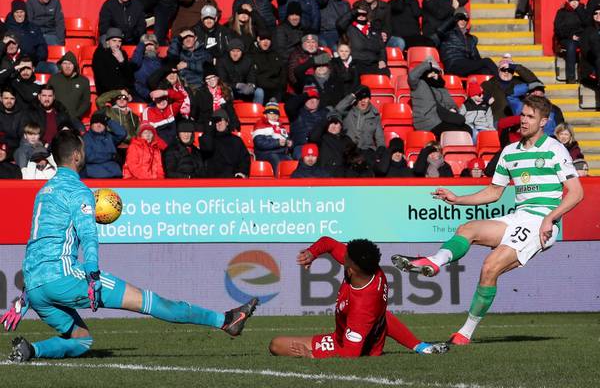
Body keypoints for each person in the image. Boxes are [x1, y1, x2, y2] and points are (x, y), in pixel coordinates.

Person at [2, 128, 258, 362]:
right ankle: (225, 321)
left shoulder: (43, 192)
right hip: (66, 278)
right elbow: (89, 237)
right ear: (78, 155)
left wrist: (25, 297)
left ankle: (31, 350)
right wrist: (92, 275)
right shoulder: (80, 192)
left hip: (36, 287)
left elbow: (36, 243)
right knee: (150, 301)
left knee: (82, 340)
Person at [393, 95, 584, 345]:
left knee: (490, 266)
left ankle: (465, 333)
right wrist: (457, 199)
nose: (524, 121)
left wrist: (551, 218)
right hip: (519, 216)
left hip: (540, 223)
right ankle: (435, 262)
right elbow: (494, 193)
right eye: (523, 115)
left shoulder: (554, 149)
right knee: (467, 228)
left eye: (530, 117)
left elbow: (577, 192)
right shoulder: (509, 152)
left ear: (544, 122)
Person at [269, 236, 449, 357]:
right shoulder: (368, 270)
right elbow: (329, 243)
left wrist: (310, 355)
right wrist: (312, 252)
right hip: (356, 328)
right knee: (380, 315)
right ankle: (420, 346)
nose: (342, 254)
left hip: (352, 345)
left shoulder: (362, 308)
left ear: (351, 268)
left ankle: (419, 346)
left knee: (276, 345)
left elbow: (350, 353)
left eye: (346, 256)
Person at [409, 57, 469, 138]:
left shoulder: (440, 86)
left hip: (442, 119)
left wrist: (453, 108)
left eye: (436, 72)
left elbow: (450, 102)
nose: (434, 74)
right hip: (427, 122)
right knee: (456, 132)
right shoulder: (418, 84)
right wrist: (428, 65)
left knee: (467, 129)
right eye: (431, 72)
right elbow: (412, 76)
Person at [440, 10, 497, 77]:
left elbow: (476, 58)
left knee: (485, 71)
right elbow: (440, 30)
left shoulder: (470, 38)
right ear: (455, 19)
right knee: (487, 61)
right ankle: (503, 81)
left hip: (465, 65)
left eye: (465, 19)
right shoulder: (449, 33)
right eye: (460, 18)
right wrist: (453, 18)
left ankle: (499, 85)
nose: (463, 21)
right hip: (453, 64)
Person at [335, 85, 385, 163]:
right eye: (360, 98)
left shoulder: (375, 115)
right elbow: (338, 109)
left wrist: (381, 149)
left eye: (365, 98)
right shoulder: (348, 110)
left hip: (366, 151)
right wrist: (352, 95)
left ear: (369, 99)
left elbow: (380, 138)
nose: (363, 101)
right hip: (349, 150)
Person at [481, 55, 538, 124]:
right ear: (498, 70)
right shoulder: (489, 84)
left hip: (519, 121)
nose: (506, 72)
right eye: (503, 69)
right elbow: (480, 95)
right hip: (498, 121)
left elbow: (534, 81)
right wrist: (486, 98)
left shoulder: (519, 82)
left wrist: (515, 67)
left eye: (509, 70)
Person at [336, 5, 389, 76]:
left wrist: (382, 60)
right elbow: (339, 24)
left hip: (373, 63)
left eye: (363, 14)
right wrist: (354, 12)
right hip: (357, 63)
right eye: (358, 14)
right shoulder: (349, 28)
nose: (361, 16)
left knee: (385, 72)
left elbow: (382, 48)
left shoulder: (374, 30)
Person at [4, 0, 51, 73]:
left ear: (25, 13)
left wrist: (34, 61)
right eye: (17, 12)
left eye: (22, 12)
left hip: (33, 62)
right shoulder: (6, 28)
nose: (19, 15)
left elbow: (42, 47)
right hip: (12, 63)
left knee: (53, 68)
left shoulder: (34, 27)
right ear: (13, 13)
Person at [202, 109, 251, 178]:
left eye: (221, 120)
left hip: (232, 180)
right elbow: (206, 149)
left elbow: (244, 159)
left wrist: (241, 172)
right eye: (216, 121)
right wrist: (209, 129)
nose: (219, 123)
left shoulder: (236, 140)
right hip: (212, 180)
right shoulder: (208, 138)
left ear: (227, 122)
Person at [285, 84, 328, 159]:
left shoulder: (325, 113)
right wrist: (307, 94)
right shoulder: (296, 112)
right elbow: (288, 106)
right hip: (301, 146)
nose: (312, 101)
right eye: (309, 98)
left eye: (315, 98)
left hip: (319, 147)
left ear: (319, 100)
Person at [553, 0, 586, 84]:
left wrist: (579, 10)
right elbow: (558, 29)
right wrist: (571, 36)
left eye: (576, 0)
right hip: (567, 38)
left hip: (582, 37)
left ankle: (588, 76)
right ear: (568, 0)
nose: (574, 2)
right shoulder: (561, 12)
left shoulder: (582, 10)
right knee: (571, 46)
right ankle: (571, 77)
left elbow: (587, 24)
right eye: (572, 0)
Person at [80, 112, 127, 179]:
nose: (99, 125)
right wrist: (110, 156)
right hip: (95, 174)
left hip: (114, 173)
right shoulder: (86, 138)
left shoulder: (109, 136)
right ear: (91, 125)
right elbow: (89, 157)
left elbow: (122, 133)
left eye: (102, 123)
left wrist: (108, 120)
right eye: (96, 122)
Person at [309, 109, 354, 177]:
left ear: (341, 126)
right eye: (330, 123)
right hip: (325, 173)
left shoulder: (346, 140)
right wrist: (326, 120)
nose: (333, 126)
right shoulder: (322, 138)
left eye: (336, 123)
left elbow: (352, 157)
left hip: (341, 173)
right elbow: (312, 137)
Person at [217, 38, 263, 104]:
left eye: (238, 51)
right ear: (229, 51)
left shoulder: (248, 61)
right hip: (230, 89)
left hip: (245, 89)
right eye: (233, 51)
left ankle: (256, 113)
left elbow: (252, 77)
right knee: (225, 91)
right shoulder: (222, 61)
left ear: (242, 52)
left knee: (259, 92)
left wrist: (251, 85)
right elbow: (223, 81)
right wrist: (237, 85)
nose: (235, 54)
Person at [48, 51, 91, 121]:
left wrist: (76, 115)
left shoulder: (84, 81)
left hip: (74, 118)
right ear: (61, 65)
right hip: (56, 118)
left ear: (74, 65)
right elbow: (47, 97)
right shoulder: (54, 79)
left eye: (70, 63)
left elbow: (86, 102)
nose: (67, 66)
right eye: (65, 63)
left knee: (82, 131)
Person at [92, 28, 135, 95]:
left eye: (119, 41)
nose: (117, 44)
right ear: (107, 42)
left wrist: (122, 62)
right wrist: (119, 92)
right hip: (106, 93)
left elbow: (130, 78)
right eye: (114, 41)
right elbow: (102, 79)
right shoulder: (100, 54)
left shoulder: (123, 54)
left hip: (124, 93)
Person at [253, 99, 293, 171]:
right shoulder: (260, 125)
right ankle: (277, 181)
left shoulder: (281, 126)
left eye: (276, 114)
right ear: (265, 115)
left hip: (281, 153)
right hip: (265, 153)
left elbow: (287, 140)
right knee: (275, 159)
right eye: (271, 113)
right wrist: (277, 143)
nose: (274, 116)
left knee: (289, 160)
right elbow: (259, 143)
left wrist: (289, 143)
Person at [251, 29, 287, 103]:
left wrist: (281, 86)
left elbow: (282, 72)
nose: (266, 42)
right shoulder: (252, 55)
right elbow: (252, 75)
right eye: (263, 39)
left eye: (268, 39)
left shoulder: (276, 55)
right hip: (261, 88)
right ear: (258, 39)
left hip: (276, 89)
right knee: (260, 92)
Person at [130, 34, 163, 102]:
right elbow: (135, 63)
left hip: (158, 94)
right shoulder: (138, 59)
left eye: (151, 44)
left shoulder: (161, 61)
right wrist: (141, 45)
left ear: (156, 46)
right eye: (146, 45)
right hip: (140, 94)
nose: (148, 47)